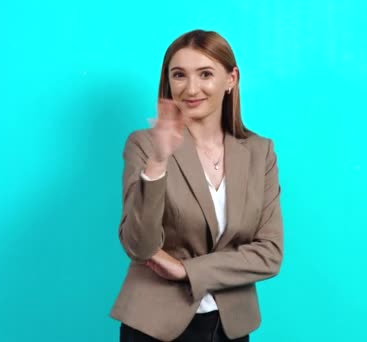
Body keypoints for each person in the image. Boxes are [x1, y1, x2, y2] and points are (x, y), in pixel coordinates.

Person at [110, 29, 283, 342]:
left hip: (230, 325)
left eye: (205, 74)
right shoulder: (144, 145)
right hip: (153, 326)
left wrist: (186, 270)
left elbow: (269, 253)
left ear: (231, 79)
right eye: (179, 75)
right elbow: (139, 246)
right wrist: (158, 163)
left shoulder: (260, 152)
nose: (191, 88)